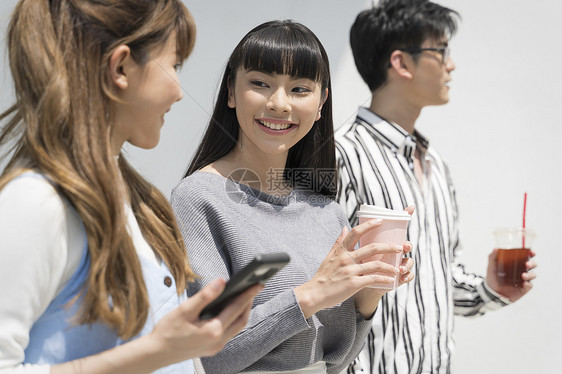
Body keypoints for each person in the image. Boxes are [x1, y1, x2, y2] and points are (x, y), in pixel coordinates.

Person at [0, 1, 262, 373]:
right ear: (121, 67)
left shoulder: (137, 200)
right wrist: (157, 351)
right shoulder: (36, 203)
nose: (179, 92)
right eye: (173, 65)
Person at [170, 20, 415, 374]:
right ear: (231, 92)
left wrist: (366, 296)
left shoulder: (326, 211)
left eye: (300, 89)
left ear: (320, 104)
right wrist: (310, 296)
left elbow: (336, 361)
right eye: (260, 83)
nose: (279, 103)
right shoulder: (198, 199)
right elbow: (207, 355)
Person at [335, 0, 537, 373]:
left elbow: (438, 281)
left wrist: (492, 290)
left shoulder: (435, 165)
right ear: (401, 63)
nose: (451, 64)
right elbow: (323, 284)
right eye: (441, 50)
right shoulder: (342, 155)